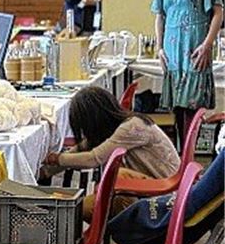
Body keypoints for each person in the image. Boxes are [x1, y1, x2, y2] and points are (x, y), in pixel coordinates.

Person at [41, 87, 180, 221]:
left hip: (165, 188)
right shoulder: (119, 126)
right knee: (100, 193)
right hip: (159, 182)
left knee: (80, 207)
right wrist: (47, 171)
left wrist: (58, 158)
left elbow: (93, 158)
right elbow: (81, 148)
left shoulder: (133, 127)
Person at [152, 0, 223, 145]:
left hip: (195, 47)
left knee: (192, 111)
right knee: (177, 111)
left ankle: (188, 160)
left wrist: (207, 44)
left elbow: (218, 11)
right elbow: (159, 15)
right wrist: (159, 48)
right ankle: (180, 161)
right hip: (173, 51)